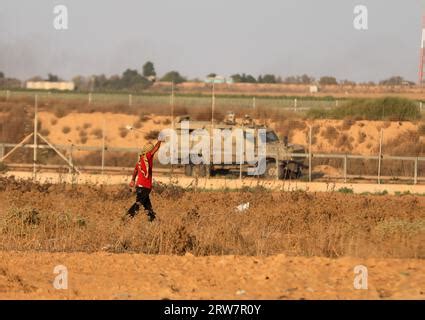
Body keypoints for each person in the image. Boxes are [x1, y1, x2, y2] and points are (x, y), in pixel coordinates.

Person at [125, 139, 163, 222]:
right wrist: (160, 140)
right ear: (149, 150)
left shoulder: (140, 160)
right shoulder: (148, 157)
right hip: (145, 187)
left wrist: (133, 180)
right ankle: (126, 218)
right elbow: (156, 148)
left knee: (147, 206)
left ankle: (153, 221)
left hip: (139, 186)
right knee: (138, 204)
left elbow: (135, 171)